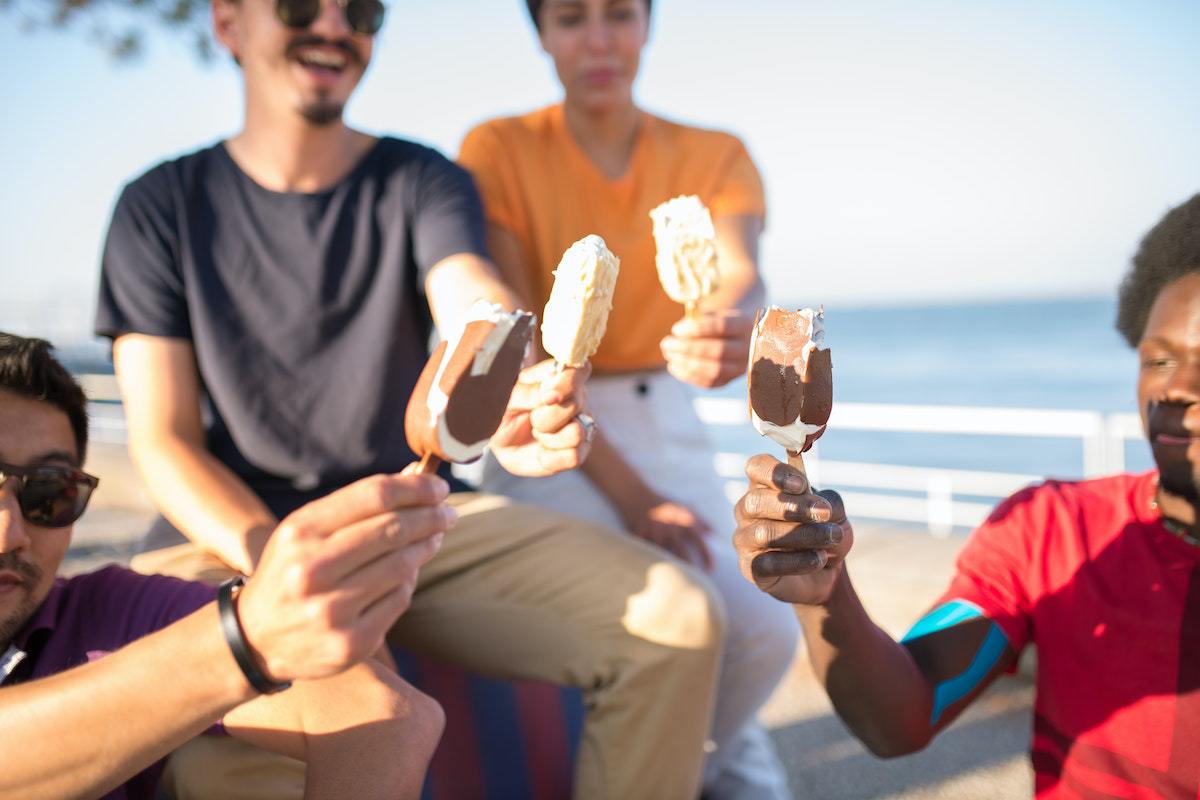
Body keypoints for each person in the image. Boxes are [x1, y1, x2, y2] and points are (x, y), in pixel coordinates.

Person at [94, 0, 725, 797]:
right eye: (298, 6)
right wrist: (284, 571)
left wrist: (517, 382)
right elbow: (163, 441)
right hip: (225, 538)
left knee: (678, 618)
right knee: (250, 767)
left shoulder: (421, 178)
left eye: (360, 10)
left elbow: (475, 298)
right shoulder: (158, 206)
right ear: (227, 22)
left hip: (414, 513)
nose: (333, 27)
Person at [731, 193, 1200, 798]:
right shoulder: (1051, 530)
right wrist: (825, 597)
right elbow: (904, 716)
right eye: (1159, 358)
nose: (1178, 387)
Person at [457, 0, 797, 796]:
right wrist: (636, 497)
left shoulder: (715, 154)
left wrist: (734, 324)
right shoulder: (498, 149)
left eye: (619, 14)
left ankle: (693, 757)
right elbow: (522, 332)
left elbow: (741, 271)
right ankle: (719, 763)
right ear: (540, 35)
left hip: (665, 414)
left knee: (762, 631)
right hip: (546, 420)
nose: (600, 39)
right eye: (571, 18)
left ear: (649, 25)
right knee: (641, 620)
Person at [0, 332, 449, 799]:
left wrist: (250, 634)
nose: (10, 534)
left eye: (48, 493)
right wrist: (245, 642)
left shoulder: (108, 611)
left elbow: (388, 714)